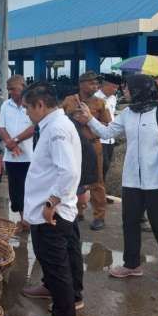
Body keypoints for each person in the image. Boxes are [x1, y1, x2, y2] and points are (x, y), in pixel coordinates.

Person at [76, 75, 158, 281]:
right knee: (129, 222)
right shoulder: (128, 113)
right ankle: (132, 264)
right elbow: (108, 131)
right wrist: (89, 118)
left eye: (128, 89)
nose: (124, 91)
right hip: (132, 180)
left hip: (157, 179)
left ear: (140, 90)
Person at [22, 82, 82, 316]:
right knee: (57, 269)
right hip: (50, 212)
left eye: (27, 108)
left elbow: (68, 172)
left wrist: (51, 202)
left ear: (40, 105)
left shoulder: (56, 129)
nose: (27, 113)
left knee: (58, 273)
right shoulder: (54, 125)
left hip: (52, 215)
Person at [63, 71, 111, 231]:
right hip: (73, 146)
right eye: (92, 83)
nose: (95, 86)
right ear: (81, 84)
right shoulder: (69, 100)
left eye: (97, 84)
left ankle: (99, 216)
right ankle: (77, 211)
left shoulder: (100, 103)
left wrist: (89, 120)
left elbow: (108, 127)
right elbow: (59, 120)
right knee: (74, 179)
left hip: (93, 145)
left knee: (97, 182)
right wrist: (72, 117)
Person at [0, 76, 35, 222]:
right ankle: (23, 218)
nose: (11, 92)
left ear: (23, 86)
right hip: (12, 156)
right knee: (15, 190)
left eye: (14, 89)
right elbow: (1, 127)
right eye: (9, 90)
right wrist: (9, 143)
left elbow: (34, 127)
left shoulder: (32, 104)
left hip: (31, 155)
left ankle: (31, 219)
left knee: (31, 189)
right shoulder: (6, 105)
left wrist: (15, 140)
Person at [93, 74, 120, 182]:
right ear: (106, 85)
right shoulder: (95, 98)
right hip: (99, 138)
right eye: (114, 87)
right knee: (99, 167)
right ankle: (96, 193)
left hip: (110, 139)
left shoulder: (113, 98)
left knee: (106, 167)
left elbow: (112, 116)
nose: (116, 90)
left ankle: (101, 191)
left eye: (117, 88)